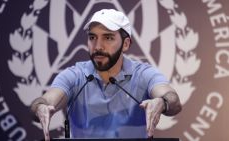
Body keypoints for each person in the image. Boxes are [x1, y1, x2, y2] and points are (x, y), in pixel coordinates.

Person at [30, 9, 182, 140]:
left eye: (108, 38)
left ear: (126, 44)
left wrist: (163, 102)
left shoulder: (143, 74)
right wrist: (41, 106)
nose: (98, 46)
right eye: (92, 37)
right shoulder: (75, 75)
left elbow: (171, 98)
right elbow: (48, 99)